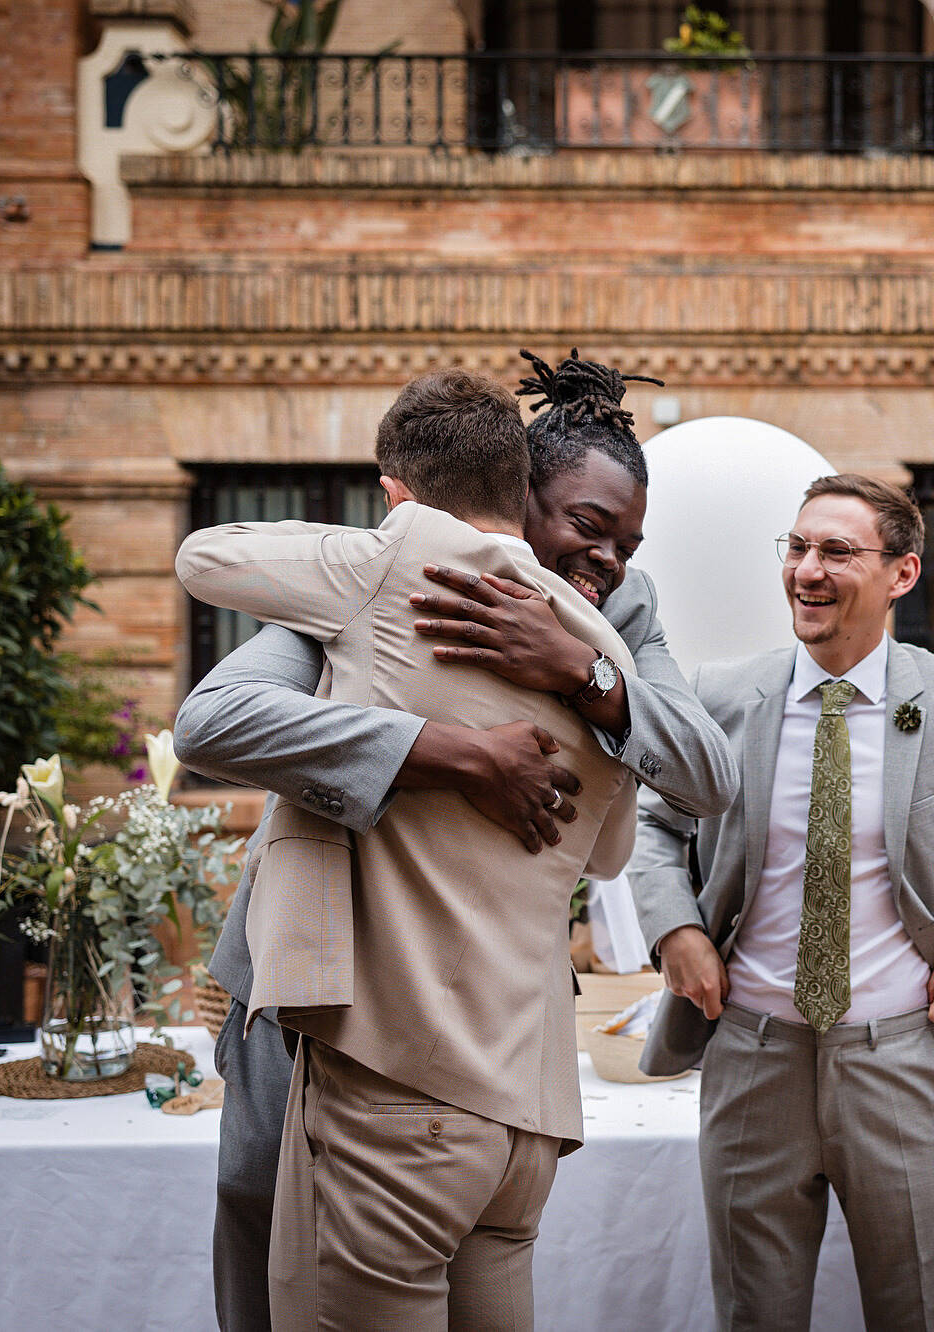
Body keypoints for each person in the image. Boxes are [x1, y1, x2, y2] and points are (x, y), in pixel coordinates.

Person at [175, 351, 736, 1332]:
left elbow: (698, 766)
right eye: (584, 526)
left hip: (462, 1022)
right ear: (515, 500)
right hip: (309, 965)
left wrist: (580, 674)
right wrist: (450, 750)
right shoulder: (372, 574)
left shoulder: (609, 622)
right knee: (259, 1210)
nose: (602, 562)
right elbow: (226, 712)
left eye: (625, 545)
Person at [630, 473, 934, 1332]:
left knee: (918, 1310)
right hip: (751, 1056)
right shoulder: (722, 694)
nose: (806, 570)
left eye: (837, 552)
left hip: (899, 1058)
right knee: (755, 1312)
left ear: (902, 574)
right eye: (797, 546)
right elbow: (655, 824)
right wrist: (674, 927)